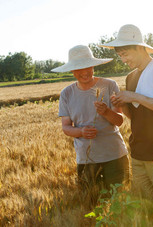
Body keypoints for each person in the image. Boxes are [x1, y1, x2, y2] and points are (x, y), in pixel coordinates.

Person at [100, 24, 153, 213]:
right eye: (120, 56)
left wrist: (134, 96)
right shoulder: (131, 77)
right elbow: (134, 116)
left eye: (126, 54)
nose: (123, 60)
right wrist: (121, 104)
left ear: (140, 47)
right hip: (139, 154)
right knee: (145, 209)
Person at [52, 45, 129, 194]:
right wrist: (81, 131)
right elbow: (66, 127)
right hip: (86, 161)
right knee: (91, 205)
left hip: (115, 156)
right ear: (72, 71)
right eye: (79, 69)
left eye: (87, 67)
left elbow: (119, 121)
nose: (84, 72)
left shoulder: (110, 85)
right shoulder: (66, 94)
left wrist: (106, 112)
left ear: (93, 66)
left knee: (120, 204)